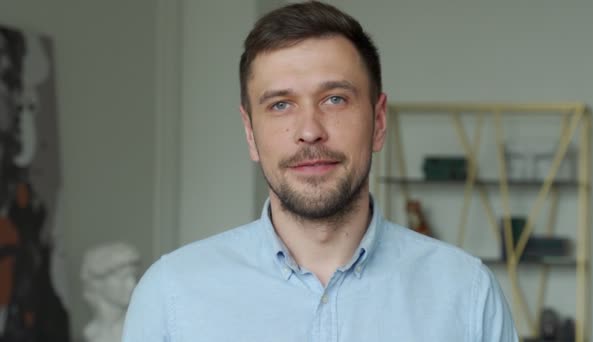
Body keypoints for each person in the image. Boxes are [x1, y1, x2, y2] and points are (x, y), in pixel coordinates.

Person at [123, 2, 518, 341]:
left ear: (378, 121)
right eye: (281, 105)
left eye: (334, 99)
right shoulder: (170, 295)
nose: (310, 131)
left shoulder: (467, 293)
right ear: (249, 132)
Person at [82, 242, 139, 342]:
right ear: (97, 282)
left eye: (134, 276)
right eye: (123, 277)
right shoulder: (91, 333)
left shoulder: (140, 327)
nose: (132, 284)